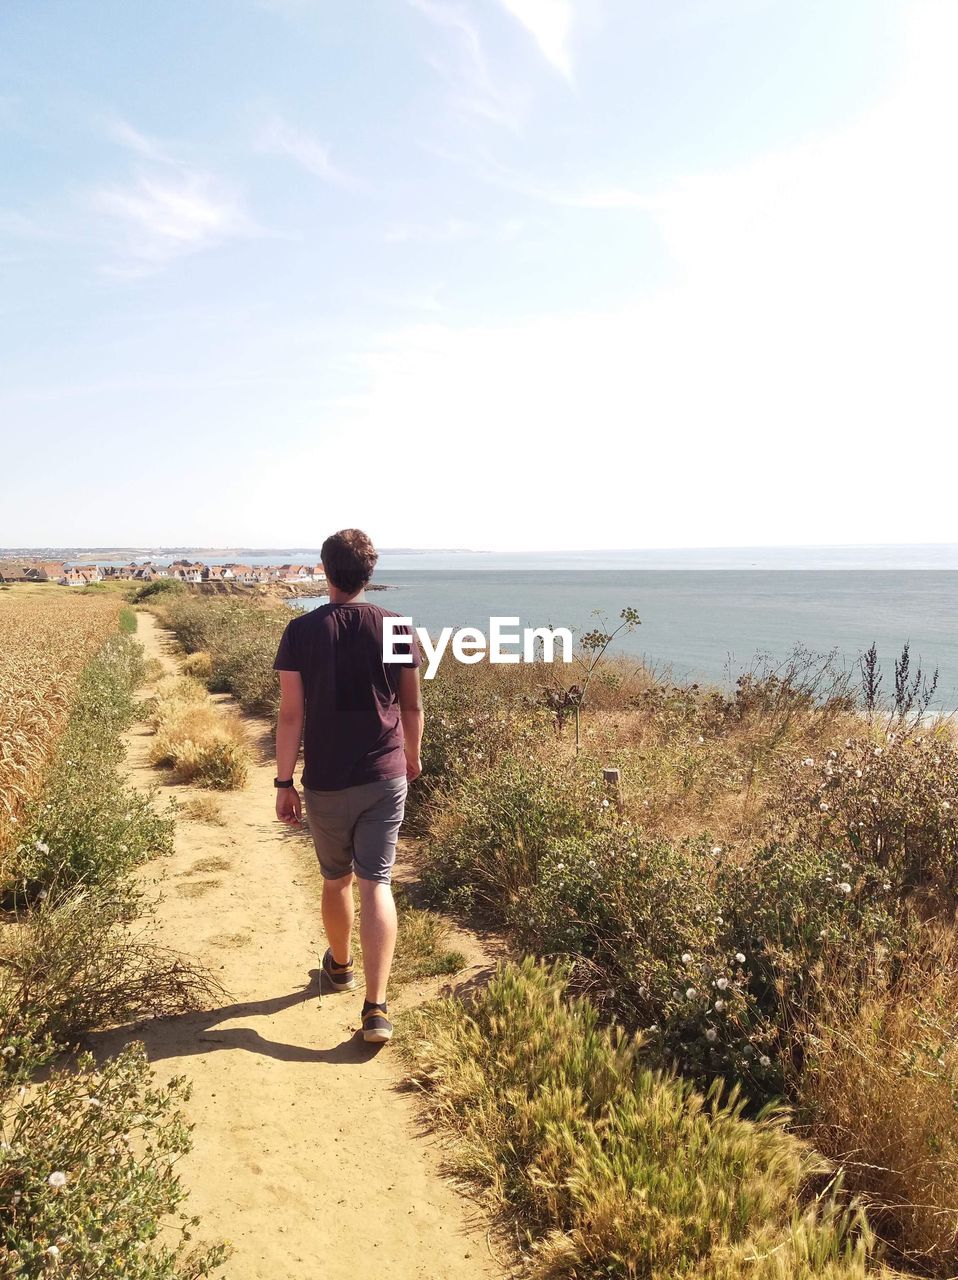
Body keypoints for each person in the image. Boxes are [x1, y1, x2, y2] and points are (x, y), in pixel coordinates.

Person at [272, 528, 423, 1044]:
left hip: (327, 781)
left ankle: (339, 967)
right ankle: (376, 1010)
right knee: (376, 882)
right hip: (385, 775)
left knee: (336, 880)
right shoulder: (397, 626)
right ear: (368, 573)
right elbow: (411, 706)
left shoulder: (300, 631)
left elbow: (291, 715)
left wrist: (283, 782)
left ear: (324, 570)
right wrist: (412, 758)